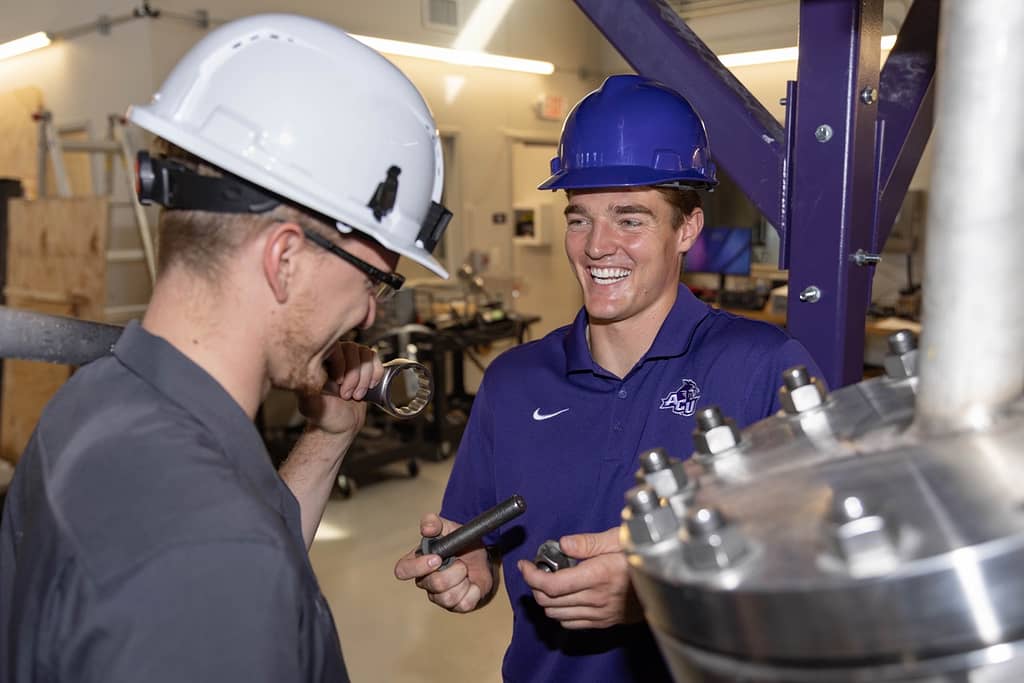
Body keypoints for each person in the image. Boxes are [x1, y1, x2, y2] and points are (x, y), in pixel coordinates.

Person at [0, 14, 450, 683]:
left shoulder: (92, 404)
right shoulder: (212, 552)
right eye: (375, 280)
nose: (366, 312)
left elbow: (253, 535)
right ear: (286, 259)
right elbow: (229, 557)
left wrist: (329, 436)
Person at [395, 74, 823, 682]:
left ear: (688, 229)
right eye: (579, 218)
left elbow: (816, 575)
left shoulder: (763, 367)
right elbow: (478, 546)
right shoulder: (513, 381)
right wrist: (471, 573)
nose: (597, 246)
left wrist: (658, 595)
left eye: (630, 219)